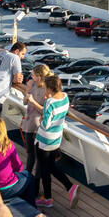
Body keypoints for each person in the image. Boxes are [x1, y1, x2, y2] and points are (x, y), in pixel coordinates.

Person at [26, 72, 75, 208]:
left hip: (44, 140)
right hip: (56, 138)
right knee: (51, 166)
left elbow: (45, 124)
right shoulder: (65, 97)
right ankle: (69, 187)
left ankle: (48, 198)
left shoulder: (50, 102)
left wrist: (41, 120)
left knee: (44, 169)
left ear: (49, 88)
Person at [20, 64, 50, 159]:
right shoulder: (32, 85)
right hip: (29, 121)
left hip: (37, 125)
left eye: (33, 75)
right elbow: (25, 102)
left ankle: (31, 171)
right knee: (30, 151)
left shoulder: (46, 90)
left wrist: (32, 101)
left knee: (37, 154)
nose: (31, 77)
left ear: (39, 77)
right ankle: (29, 171)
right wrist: (27, 89)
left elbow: (44, 111)